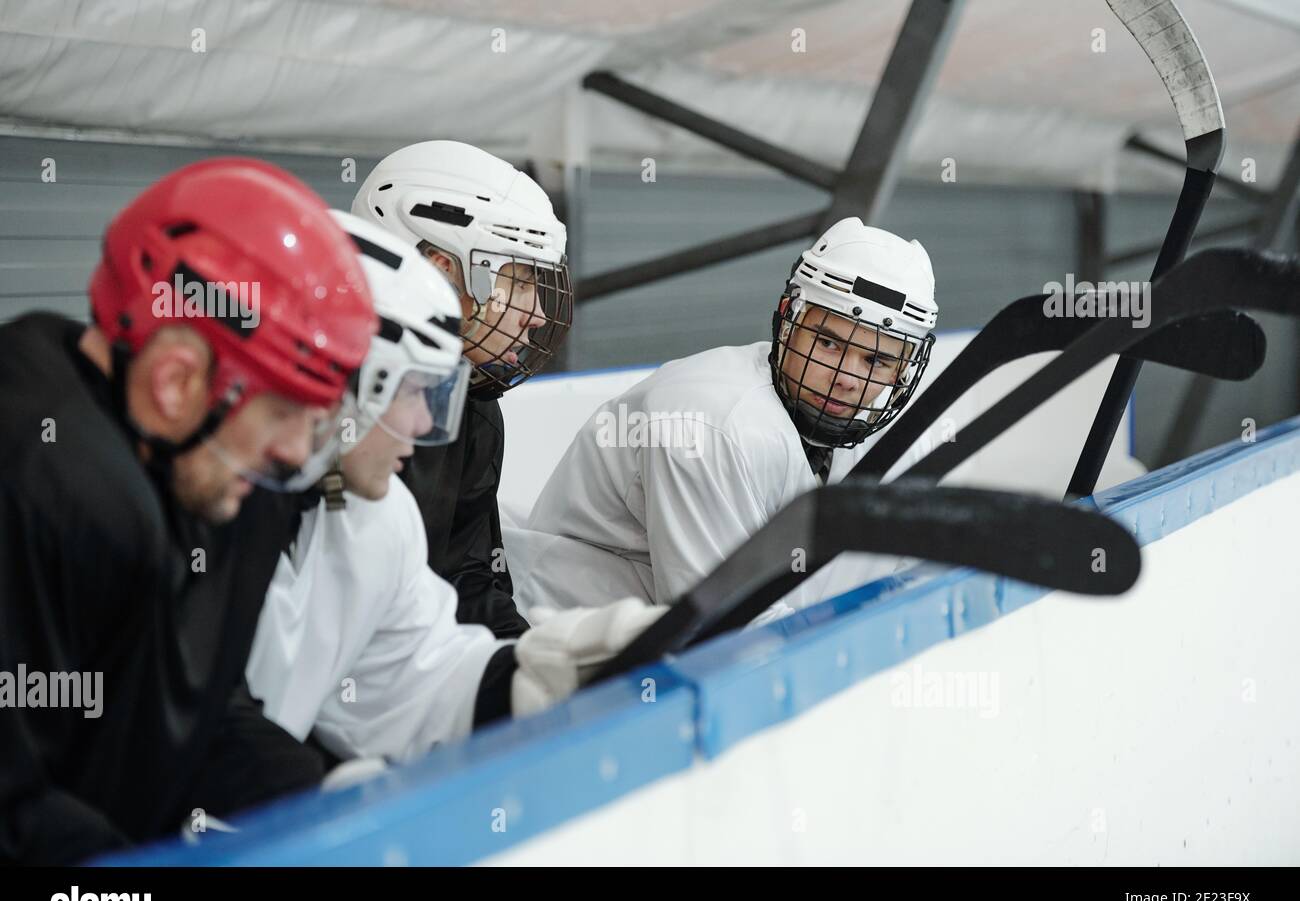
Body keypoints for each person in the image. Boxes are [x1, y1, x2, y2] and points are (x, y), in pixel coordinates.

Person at [0, 158, 375, 863]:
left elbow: (179, 722)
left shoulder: (198, 472)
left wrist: (318, 794)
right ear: (174, 382)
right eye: (283, 411)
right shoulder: (46, 480)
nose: (298, 454)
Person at [245, 213, 661, 764]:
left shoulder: (377, 513)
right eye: (414, 388)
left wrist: (526, 677)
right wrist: (312, 793)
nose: (423, 426)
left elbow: (411, 676)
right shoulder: (201, 522)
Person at [509, 218, 939, 614]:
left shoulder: (889, 439)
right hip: (560, 642)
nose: (847, 378)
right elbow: (718, 626)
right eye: (828, 343)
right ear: (788, 319)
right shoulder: (704, 422)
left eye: (875, 361)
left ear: (903, 370)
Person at [351, 141, 573, 640]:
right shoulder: (321, 419)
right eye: (518, 282)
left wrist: (525, 659)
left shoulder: (475, 408)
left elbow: (467, 581)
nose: (537, 314)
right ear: (438, 269)